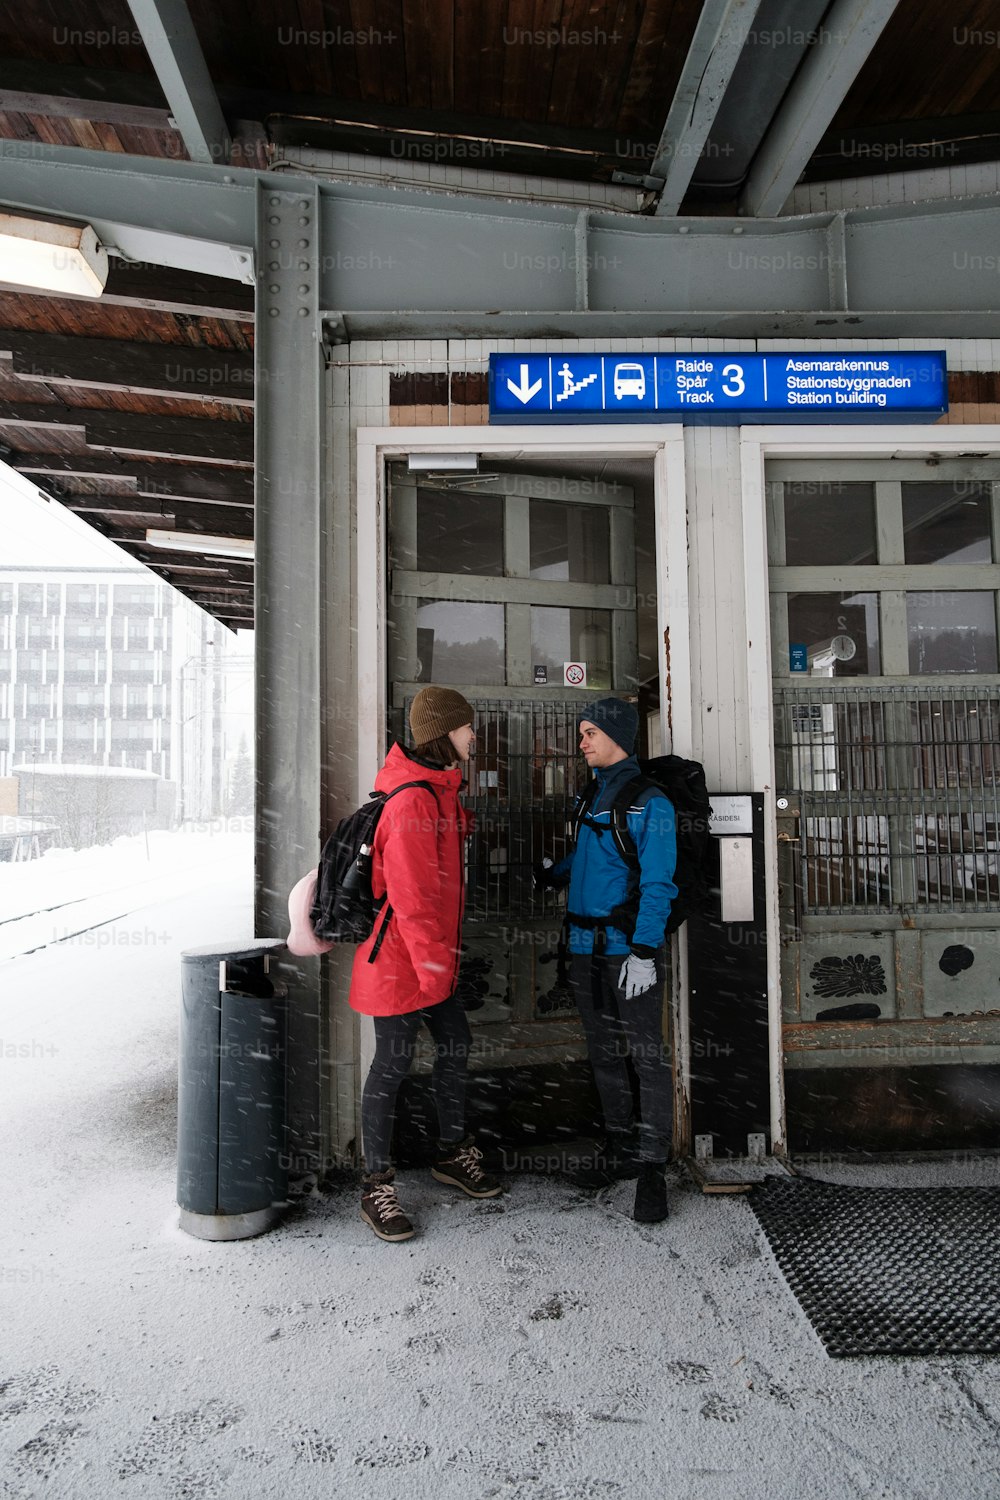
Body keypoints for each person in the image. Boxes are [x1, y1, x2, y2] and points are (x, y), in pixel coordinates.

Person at [349, 685, 501, 1242]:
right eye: (467, 728)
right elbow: (412, 902)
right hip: (400, 964)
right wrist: (437, 972)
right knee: (391, 1066)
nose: (474, 736)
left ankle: (450, 1152)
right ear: (444, 735)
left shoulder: (439, 793)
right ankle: (376, 1185)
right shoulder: (414, 800)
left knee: (454, 1046)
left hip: (431, 962)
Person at [544, 697, 677, 1223]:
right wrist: (554, 873)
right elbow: (591, 856)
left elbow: (659, 884)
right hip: (583, 949)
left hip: (628, 955)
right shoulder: (592, 794)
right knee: (602, 1051)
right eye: (581, 733)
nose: (582, 742)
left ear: (618, 736)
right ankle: (619, 1147)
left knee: (647, 1055)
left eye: (590, 733)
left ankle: (651, 1168)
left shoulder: (653, 803)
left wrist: (644, 952)